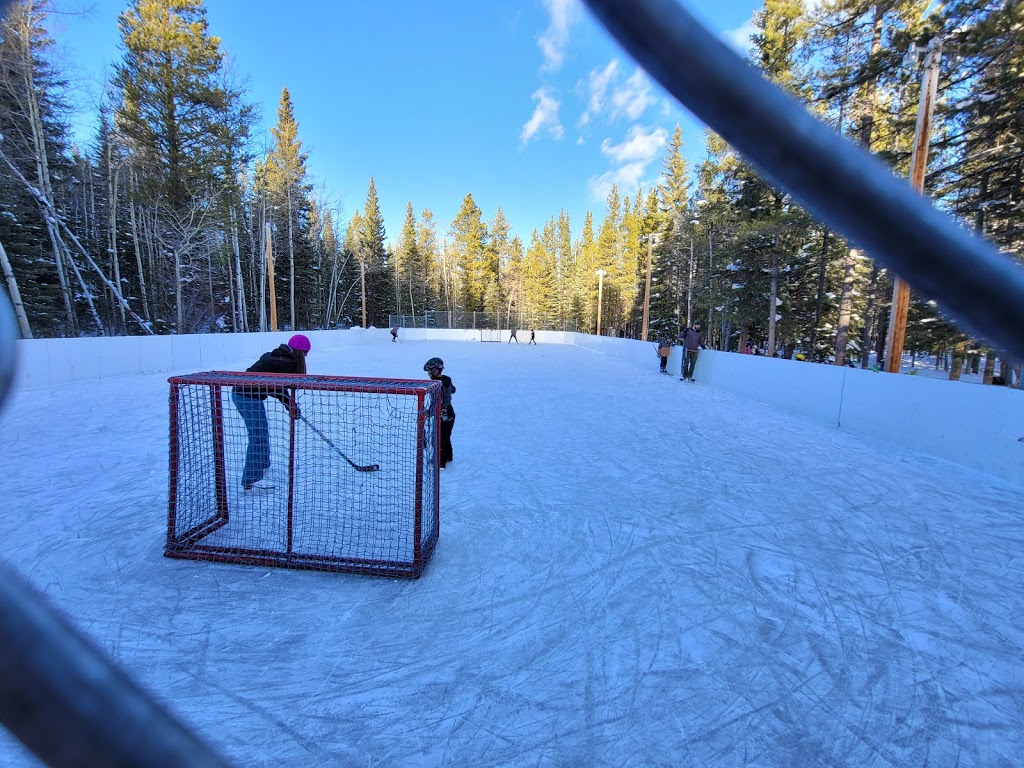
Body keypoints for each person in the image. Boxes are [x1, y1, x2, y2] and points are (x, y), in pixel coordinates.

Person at [231, 334, 310, 491]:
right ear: (301, 352)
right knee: (258, 436)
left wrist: (290, 405)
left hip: (243, 394)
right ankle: (252, 479)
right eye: (305, 354)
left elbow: (273, 387)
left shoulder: (278, 356)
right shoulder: (285, 362)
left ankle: (263, 465)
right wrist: (291, 406)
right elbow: (277, 389)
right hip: (246, 396)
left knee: (261, 431)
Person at [424, 357, 456, 469]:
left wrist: (428, 413)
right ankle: (449, 456)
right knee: (445, 436)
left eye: (430, 371)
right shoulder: (446, 379)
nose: (428, 374)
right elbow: (453, 390)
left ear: (436, 370)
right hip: (450, 413)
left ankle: (440, 462)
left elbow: (438, 402)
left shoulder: (437, 384)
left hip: (444, 414)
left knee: (440, 438)